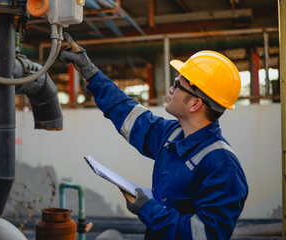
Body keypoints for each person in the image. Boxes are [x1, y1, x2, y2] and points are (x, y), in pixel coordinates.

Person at [61, 42, 248, 239]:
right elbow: (128, 113)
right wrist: (90, 71)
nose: (170, 89)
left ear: (195, 103)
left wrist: (148, 209)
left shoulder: (223, 166)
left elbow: (205, 235)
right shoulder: (171, 134)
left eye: (177, 85)